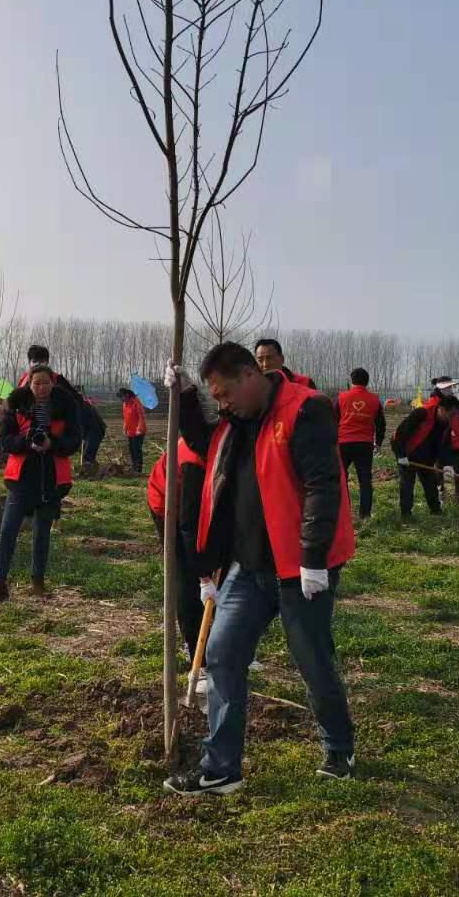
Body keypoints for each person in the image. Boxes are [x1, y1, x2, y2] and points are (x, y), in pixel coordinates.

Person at [165, 341, 355, 795]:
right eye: (214, 396)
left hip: (300, 569)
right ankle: (222, 767)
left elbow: (322, 486)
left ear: (251, 375)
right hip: (248, 568)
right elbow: (202, 442)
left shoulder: (306, 411)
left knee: (312, 659)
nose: (221, 403)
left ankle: (339, 747)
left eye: (224, 393)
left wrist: (313, 559)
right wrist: (187, 397)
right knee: (222, 653)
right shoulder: (235, 420)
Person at [0, 366, 81, 601]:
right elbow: (6, 442)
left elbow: (74, 441)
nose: (41, 388)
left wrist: (52, 444)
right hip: (22, 477)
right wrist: (26, 441)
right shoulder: (17, 405)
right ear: (29, 385)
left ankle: (38, 582)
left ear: (52, 383)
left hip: (52, 478)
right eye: (36, 383)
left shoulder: (66, 406)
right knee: (8, 530)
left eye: (45, 383)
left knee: (43, 532)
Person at [147, 439, 208, 690]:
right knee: (186, 577)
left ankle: (225, 649)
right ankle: (198, 656)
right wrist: (204, 574)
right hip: (169, 505)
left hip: (203, 503)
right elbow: (189, 528)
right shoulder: (193, 461)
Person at [392, 393, 459, 520]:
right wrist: (401, 455)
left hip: (426, 457)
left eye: (454, 415)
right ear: (442, 409)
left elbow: (443, 446)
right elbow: (399, 435)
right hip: (408, 454)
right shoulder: (422, 413)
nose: (451, 418)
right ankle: (406, 514)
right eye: (450, 415)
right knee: (407, 483)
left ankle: (436, 511)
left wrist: (447, 464)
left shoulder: (445, 423)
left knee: (430, 483)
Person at [337, 367, 386, 521]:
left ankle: (344, 513)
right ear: (367, 381)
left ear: (352, 381)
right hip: (365, 444)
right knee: (365, 480)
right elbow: (381, 424)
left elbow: (332, 418)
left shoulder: (341, 397)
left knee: (341, 479)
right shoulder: (375, 400)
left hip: (343, 443)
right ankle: (365, 515)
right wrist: (378, 442)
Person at [424, 377, 459, 505]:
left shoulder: (453, 401)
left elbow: (458, 420)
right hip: (439, 442)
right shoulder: (433, 403)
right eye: (448, 387)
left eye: (451, 387)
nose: (450, 390)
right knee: (439, 467)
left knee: (458, 467)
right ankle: (440, 492)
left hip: (453, 440)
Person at [78, 390, 106, 476]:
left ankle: (88, 472)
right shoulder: (78, 405)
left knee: (88, 451)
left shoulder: (82, 406)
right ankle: (92, 468)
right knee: (82, 450)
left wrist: (81, 434)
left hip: (96, 430)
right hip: (89, 430)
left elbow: (81, 422)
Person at [119, 387, 147, 474]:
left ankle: (138, 468)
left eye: (122, 397)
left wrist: (139, 429)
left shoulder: (136, 403)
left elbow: (141, 417)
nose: (121, 399)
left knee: (137, 449)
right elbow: (126, 418)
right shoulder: (125, 404)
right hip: (130, 431)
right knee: (131, 449)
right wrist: (125, 427)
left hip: (138, 432)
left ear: (127, 395)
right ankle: (134, 466)